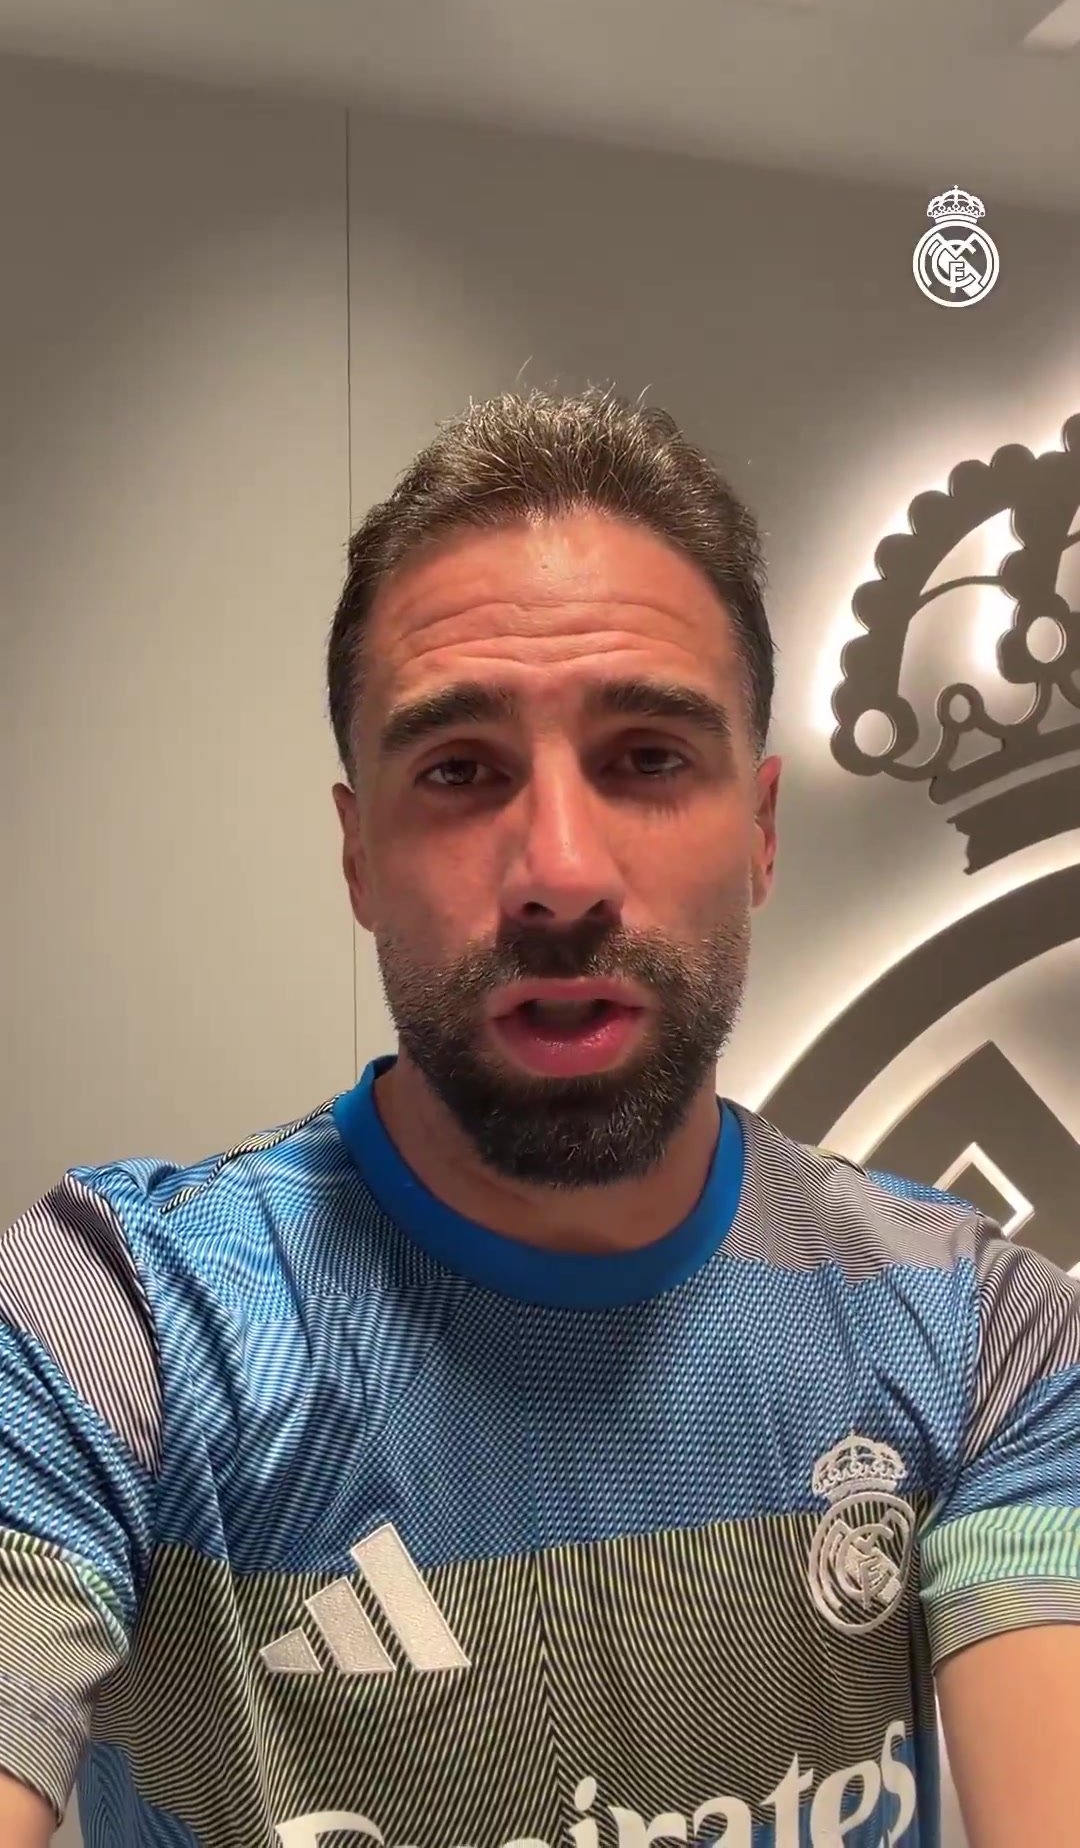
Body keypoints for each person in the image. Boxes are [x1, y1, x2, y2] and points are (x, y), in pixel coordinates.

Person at [0, 388, 1077, 1848]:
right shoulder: (118, 1324)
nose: (560, 874)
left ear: (762, 831)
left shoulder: (980, 1337)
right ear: (359, 855)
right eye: (460, 771)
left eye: (648, 758)